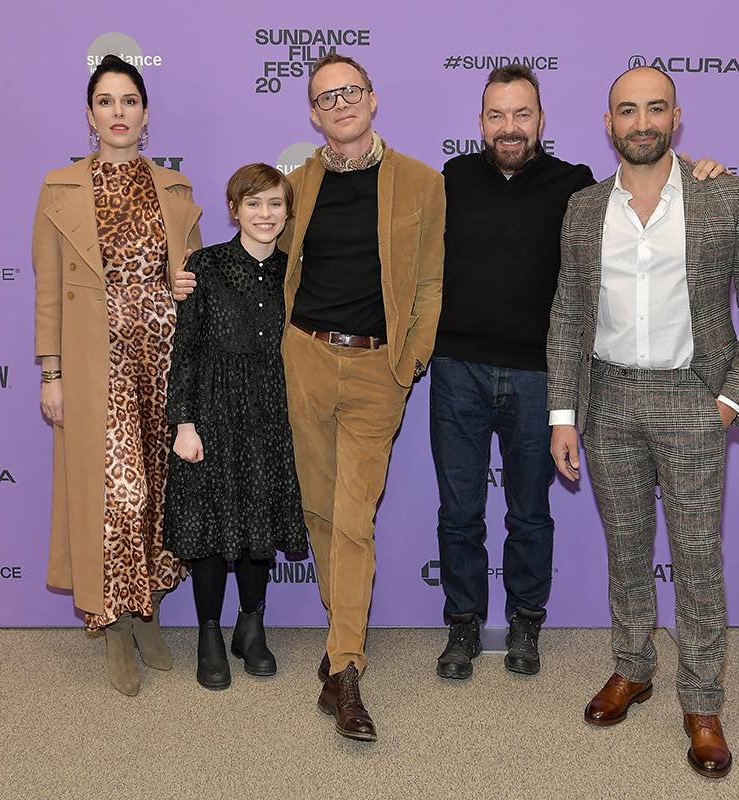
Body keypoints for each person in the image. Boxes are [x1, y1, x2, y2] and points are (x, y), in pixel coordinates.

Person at [176, 53, 444, 741]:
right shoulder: (298, 185)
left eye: (351, 91)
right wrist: (192, 279)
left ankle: (344, 667)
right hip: (304, 360)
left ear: (374, 99)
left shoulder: (421, 182)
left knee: (354, 516)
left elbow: (432, 283)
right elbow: (258, 255)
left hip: (378, 370)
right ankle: (342, 635)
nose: (341, 104)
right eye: (327, 97)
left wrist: (408, 363)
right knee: (321, 511)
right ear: (313, 113)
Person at [433, 64, 725, 681]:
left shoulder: (576, 187)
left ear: (542, 121)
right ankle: (462, 625)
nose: (509, 127)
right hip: (457, 370)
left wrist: (700, 168)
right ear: (480, 121)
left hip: (542, 376)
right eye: (496, 115)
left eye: (521, 115)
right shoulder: (452, 178)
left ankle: (524, 623)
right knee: (458, 510)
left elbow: (647, 175)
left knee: (529, 512)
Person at [547, 66, 739, 778]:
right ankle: (634, 667)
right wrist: (565, 414)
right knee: (625, 550)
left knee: (697, 559)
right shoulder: (584, 208)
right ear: (608, 123)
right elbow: (566, 314)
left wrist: (728, 402)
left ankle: (703, 699)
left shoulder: (728, 194)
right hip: (609, 399)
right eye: (628, 110)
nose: (641, 122)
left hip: (693, 400)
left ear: (677, 117)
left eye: (655, 108)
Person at [33, 55, 202, 696]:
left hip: (164, 354)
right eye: (106, 101)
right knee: (116, 494)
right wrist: (51, 373)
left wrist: (186, 282)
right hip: (94, 360)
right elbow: (49, 288)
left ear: (146, 114)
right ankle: (111, 622)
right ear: (89, 115)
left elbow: (191, 278)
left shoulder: (176, 189)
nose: (119, 112)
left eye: (129, 100)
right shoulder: (60, 188)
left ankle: (146, 612)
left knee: (158, 488)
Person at [163, 164, 308, 691]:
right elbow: (186, 351)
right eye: (253, 204)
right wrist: (183, 421)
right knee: (208, 529)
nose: (264, 214)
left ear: (287, 212)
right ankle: (208, 633)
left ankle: (251, 625)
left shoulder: (295, 272)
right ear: (234, 209)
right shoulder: (205, 266)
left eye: (274, 204)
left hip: (274, 414)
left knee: (258, 524)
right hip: (213, 410)